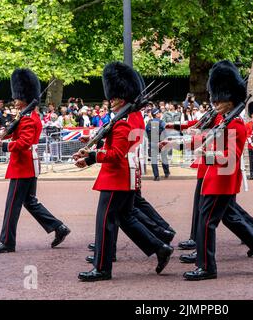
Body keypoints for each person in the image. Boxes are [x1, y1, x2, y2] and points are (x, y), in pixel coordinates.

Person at [75, 62, 173, 282]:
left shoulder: (124, 120)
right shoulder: (132, 117)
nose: (110, 100)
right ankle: (159, 247)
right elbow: (115, 146)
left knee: (105, 222)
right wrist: (93, 149)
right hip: (127, 175)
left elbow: (116, 153)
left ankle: (102, 268)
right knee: (126, 218)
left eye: (114, 96)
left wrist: (92, 156)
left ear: (122, 96)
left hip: (116, 177)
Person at [183, 60, 253, 281]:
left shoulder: (235, 124)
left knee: (206, 222)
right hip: (213, 178)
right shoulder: (221, 119)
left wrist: (205, 155)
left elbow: (231, 157)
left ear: (230, 100)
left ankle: (207, 267)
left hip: (222, 181)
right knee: (232, 221)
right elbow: (207, 139)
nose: (215, 102)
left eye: (220, 98)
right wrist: (183, 142)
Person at [0, 68, 71, 254]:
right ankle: (59, 227)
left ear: (24, 98)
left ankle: (7, 241)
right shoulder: (26, 116)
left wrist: (3, 146)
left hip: (23, 165)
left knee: (12, 205)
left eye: (17, 98)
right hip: (27, 164)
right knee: (30, 202)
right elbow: (12, 133)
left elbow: (23, 143)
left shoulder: (28, 119)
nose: (14, 101)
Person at [146, 108, 170, 181]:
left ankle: (156, 176)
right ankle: (166, 173)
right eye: (159, 113)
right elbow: (166, 131)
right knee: (164, 158)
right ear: (156, 114)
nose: (160, 114)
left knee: (154, 160)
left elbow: (146, 132)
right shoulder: (161, 122)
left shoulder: (149, 123)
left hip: (152, 143)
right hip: (161, 143)